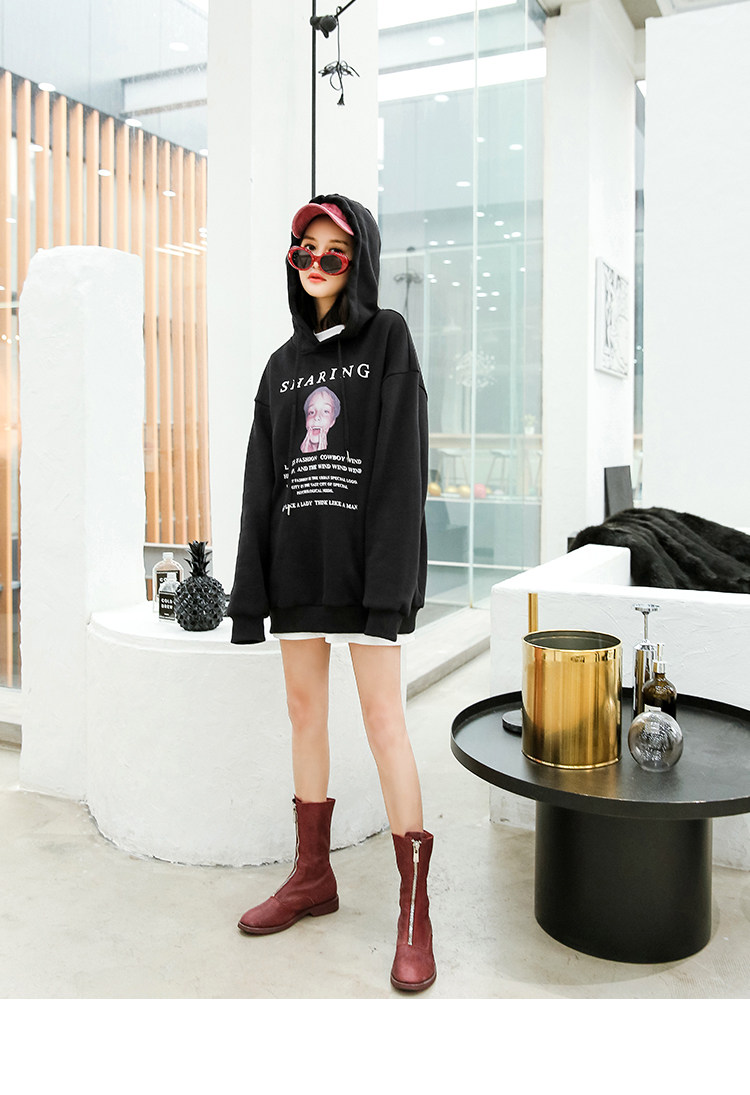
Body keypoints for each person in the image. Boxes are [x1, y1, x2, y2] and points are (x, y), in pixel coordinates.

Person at [228, 193, 435, 993]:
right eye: (303, 252)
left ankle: (414, 908)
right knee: (304, 712)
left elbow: (400, 470)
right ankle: (312, 874)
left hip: (363, 571)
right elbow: (261, 483)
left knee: (384, 720)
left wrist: (389, 588)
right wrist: (251, 595)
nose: (316, 265)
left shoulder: (388, 339)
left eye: (333, 253)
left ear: (359, 261)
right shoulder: (280, 367)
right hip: (297, 569)